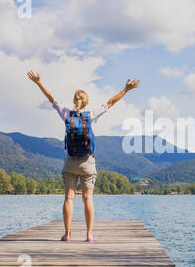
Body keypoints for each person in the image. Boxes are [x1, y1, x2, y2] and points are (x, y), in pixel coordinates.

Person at [27, 70, 140, 242]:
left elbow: (51, 98)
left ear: (74, 101)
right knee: (88, 198)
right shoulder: (91, 115)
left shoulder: (66, 114)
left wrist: (39, 82)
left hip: (70, 163)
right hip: (88, 162)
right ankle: (89, 235)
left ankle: (67, 235)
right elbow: (110, 102)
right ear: (87, 103)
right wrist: (126, 89)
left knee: (69, 198)